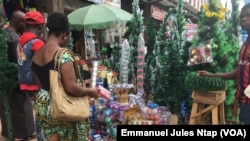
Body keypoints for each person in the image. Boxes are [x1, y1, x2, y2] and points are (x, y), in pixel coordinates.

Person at [31, 12, 101, 141]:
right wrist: (90, 91)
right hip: (61, 107)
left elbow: (43, 84)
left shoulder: (36, 55)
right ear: (64, 35)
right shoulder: (63, 54)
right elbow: (70, 88)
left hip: (43, 103)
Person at [198, 3, 250, 125]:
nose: (243, 19)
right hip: (243, 102)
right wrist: (212, 75)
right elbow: (239, 71)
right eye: (242, 16)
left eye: (248, 16)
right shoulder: (245, 44)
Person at [0, 10, 36, 141]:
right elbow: (18, 61)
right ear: (18, 22)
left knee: (9, 107)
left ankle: (14, 132)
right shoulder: (15, 38)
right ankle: (21, 135)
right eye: (24, 23)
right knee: (20, 108)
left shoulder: (4, 34)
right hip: (15, 80)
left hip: (5, 80)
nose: (26, 27)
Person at [16, 10, 46, 140]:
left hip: (25, 82)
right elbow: (41, 66)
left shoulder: (20, 42)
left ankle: (41, 135)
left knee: (40, 110)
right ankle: (42, 137)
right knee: (44, 113)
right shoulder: (36, 42)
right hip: (38, 84)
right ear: (40, 26)